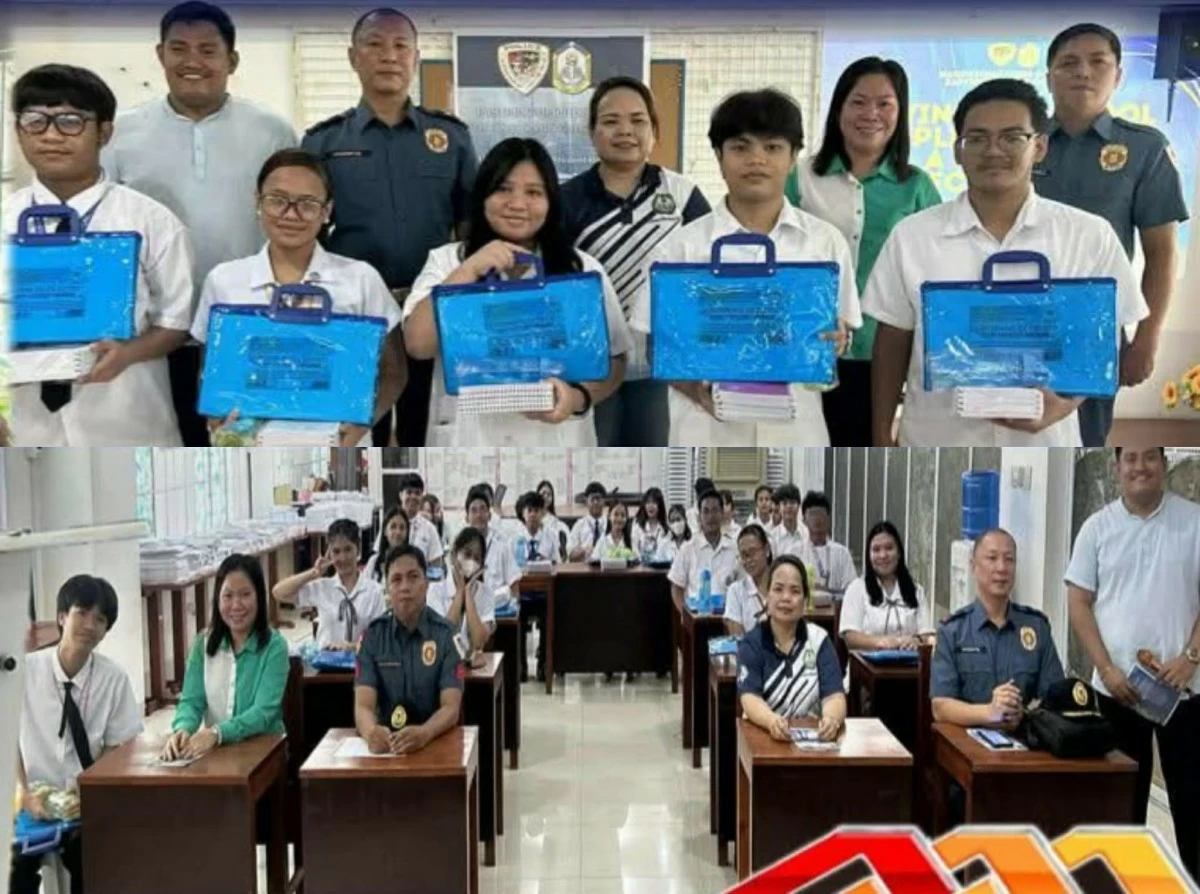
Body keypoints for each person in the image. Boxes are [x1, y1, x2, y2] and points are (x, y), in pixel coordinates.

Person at [865, 78, 1148, 447]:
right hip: (935, 440)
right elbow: (892, 342)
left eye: (1013, 137)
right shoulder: (912, 236)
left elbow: (1101, 340)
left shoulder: (1089, 236)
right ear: (957, 150)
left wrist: (1062, 407)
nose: (993, 151)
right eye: (977, 139)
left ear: (1040, 146)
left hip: (1045, 444)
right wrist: (880, 438)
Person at [102, 1, 297, 447]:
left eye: (208, 50)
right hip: (155, 332)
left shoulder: (273, 131)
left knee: (246, 443)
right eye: (179, 49)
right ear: (160, 54)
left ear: (232, 60)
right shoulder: (122, 133)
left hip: (248, 326)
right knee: (170, 441)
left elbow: (293, 221)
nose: (193, 61)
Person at [632, 89, 861, 446]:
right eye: (740, 147)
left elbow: (842, 334)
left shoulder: (824, 243)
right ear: (719, 157)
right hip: (704, 427)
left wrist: (839, 340)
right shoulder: (680, 248)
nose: (756, 159)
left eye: (772, 147)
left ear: (793, 157)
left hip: (797, 430)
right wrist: (697, 389)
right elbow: (656, 345)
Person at [302, 7, 477, 448]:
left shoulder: (450, 137)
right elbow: (310, 232)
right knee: (361, 424)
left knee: (427, 425)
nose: (389, 56)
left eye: (401, 46)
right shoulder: (324, 142)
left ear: (415, 58)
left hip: (426, 310)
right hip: (356, 310)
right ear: (353, 57)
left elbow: (470, 225)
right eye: (375, 44)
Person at [6, 64, 195, 446]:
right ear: (18, 130)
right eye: (35, 121)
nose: (52, 136)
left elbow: (176, 322)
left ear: (104, 133)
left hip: (127, 419)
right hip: (23, 423)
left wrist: (128, 353)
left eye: (71, 121)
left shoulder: (151, 221)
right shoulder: (5, 220)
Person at [403, 137, 632, 446]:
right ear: (483, 195)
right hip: (470, 437)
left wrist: (576, 398)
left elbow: (615, 360)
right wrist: (467, 271)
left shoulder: (581, 269)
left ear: (551, 202)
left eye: (534, 192)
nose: (518, 204)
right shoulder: (447, 262)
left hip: (557, 438)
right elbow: (418, 344)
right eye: (503, 189)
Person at [1038, 25, 1189, 448]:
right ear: (1049, 76)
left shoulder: (1144, 148)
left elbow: (1161, 255)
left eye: (1098, 61)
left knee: (1083, 443)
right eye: (1068, 63)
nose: (1083, 72)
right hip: (1016, 323)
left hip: (1095, 331)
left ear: (1118, 75)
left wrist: (1145, 339)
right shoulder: (1023, 143)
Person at [192, 149, 405, 446]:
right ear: (258, 202)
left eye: (307, 204)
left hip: (338, 438)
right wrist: (216, 417)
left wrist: (359, 424)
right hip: (247, 439)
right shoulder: (224, 280)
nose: (290, 214)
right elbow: (209, 368)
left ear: (327, 211)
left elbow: (394, 372)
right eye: (277, 201)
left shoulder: (360, 278)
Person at [786, 57, 942, 447]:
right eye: (858, 102)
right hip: (809, 347)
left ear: (900, 113)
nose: (871, 114)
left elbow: (936, 272)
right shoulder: (800, 177)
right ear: (838, 109)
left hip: (884, 353)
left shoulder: (917, 186)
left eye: (885, 103)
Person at [1065, 446, 1200, 880]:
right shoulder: (1096, 528)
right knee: (1121, 809)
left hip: (1185, 693)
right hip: (1118, 692)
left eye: (1149, 458)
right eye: (1131, 459)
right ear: (1116, 466)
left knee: (1193, 806)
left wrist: (1191, 657)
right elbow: (1079, 602)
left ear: (1164, 463)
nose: (1139, 467)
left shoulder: (1194, 521)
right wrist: (1106, 669)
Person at [560, 76, 711, 446]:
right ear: (592, 132)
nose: (625, 130)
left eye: (637, 120)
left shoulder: (683, 195)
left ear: (654, 130)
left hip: (660, 366)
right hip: (593, 364)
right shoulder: (566, 199)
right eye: (611, 121)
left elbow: (710, 275)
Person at [14, 576, 141, 894]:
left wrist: (88, 792)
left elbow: (121, 748)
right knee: (14, 871)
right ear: (61, 617)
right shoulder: (25, 672)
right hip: (28, 803)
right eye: (82, 613)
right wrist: (23, 792)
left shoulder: (113, 679)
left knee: (95, 863)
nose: (89, 625)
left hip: (84, 803)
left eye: (100, 619)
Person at [931, 529, 1065, 729]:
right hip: (968, 747)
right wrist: (989, 712)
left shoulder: (1036, 628)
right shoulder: (953, 631)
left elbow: (1056, 698)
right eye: (992, 558)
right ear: (973, 566)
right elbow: (940, 707)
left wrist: (1024, 714)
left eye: (1009, 560)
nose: (1001, 568)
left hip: (1026, 745)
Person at [162, 554, 289, 760]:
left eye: (245, 594)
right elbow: (191, 701)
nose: (236, 605)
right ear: (217, 598)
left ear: (259, 596)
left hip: (264, 753)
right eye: (228, 596)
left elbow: (263, 712)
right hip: (217, 752)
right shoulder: (203, 643)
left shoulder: (275, 647)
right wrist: (183, 729)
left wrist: (217, 733)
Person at [355, 543, 463, 754]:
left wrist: (424, 733)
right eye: (396, 579)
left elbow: (451, 707)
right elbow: (363, 705)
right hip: (388, 748)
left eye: (413, 577)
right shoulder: (372, 637)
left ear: (426, 583)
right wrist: (371, 733)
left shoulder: (446, 635)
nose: (405, 587)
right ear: (386, 588)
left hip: (434, 742)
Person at [737, 556, 847, 741]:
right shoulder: (751, 643)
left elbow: (834, 696)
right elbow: (750, 699)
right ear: (767, 597)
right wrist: (772, 721)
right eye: (778, 589)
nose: (786, 598)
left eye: (795, 591)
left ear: (805, 601)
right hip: (764, 738)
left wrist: (831, 720)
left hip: (814, 741)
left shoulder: (819, 640)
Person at [271, 518, 385, 649]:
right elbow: (278, 592)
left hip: (362, 663)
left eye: (348, 549)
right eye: (336, 551)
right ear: (329, 553)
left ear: (358, 549)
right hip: (325, 663)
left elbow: (380, 637)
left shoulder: (373, 591)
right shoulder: (324, 587)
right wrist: (313, 573)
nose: (342, 557)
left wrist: (352, 647)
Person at [840, 521, 933, 650]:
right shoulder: (856, 589)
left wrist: (916, 641)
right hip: (865, 667)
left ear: (899, 553)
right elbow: (850, 637)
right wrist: (884, 642)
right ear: (869, 555)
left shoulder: (916, 590)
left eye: (889, 548)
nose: (883, 555)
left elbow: (927, 634)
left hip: (909, 666)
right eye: (876, 550)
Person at [427, 528, 496, 657]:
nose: (472, 562)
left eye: (477, 558)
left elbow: (478, 643)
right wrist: (459, 593)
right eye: (467, 554)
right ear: (454, 555)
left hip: (473, 669)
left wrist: (468, 595)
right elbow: (444, 637)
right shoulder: (435, 591)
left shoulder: (486, 593)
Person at [669, 489, 740, 603]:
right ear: (699, 517)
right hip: (696, 617)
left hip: (727, 616)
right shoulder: (687, 549)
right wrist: (684, 614)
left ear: (722, 513)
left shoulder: (734, 548)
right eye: (706, 511)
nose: (711, 516)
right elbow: (677, 586)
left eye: (715, 510)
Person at [463, 485, 522, 610]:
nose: (479, 515)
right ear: (467, 518)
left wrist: (512, 609)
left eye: (482, 509)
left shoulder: (502, 548)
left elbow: (514, 584)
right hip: (470, 613)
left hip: (499, 614)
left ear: (489, 515)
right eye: (473, 510)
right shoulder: (460, 550)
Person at [798, 491, 857, 599]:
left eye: (821, 513)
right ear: (804, 520)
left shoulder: (841, 553)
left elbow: (852, 591)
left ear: (829, 518)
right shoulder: (795, 551)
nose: (817, 518)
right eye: (812, 513)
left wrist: (827, 591)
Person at [724, 524, 773, 637]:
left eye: (752, 552)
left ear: (766, 550)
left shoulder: (782, 586)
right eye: (743, 555)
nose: (748, 559)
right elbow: (737, 638)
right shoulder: (735, 591)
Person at [395, 472, 446, 570]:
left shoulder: (429, 528)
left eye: (417, 493)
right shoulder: (390, 524)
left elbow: (436, 563)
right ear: (401, 495)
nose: (413, 497)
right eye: (409, 492)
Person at [364, 505, 409, 583]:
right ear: (385, 531)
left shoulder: (412, 561)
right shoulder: (374, 561)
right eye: (393, 527)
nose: (398, 532)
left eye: (402, 528)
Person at [514, 490, 560, 564]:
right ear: (523, 513)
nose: (533, 514)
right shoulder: (514, 540)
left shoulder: (551, 537)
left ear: (542, 513)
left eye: (536, 511)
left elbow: (557, 564)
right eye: (529, 510)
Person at [568, 481, 609, 562]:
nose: (595, 502)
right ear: (586, 501)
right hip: (584, 570)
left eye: (598, 498)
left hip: (607, 569)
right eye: (593, 499)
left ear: (604, 501)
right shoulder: (579, 526)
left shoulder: (611, 524)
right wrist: (584, 550)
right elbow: (570, 555)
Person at [769, 484, 808, 560]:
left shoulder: (807, 533)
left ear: (799, 505)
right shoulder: (772, 537)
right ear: (779, 507)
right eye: (785, 503)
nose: (789, 507)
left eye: (792, 503)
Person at [632, 487, 668, 559]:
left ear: (660, 506)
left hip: (659, 567)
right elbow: (634, 549)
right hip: (640, 566)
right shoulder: (637, 526)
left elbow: (665, 553)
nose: (650, 506)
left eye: (654, 503)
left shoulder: (665, 529)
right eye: (648, 502)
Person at [537, 479, 569, 551]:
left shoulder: (559, 526)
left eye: (549, 495)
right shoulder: (530, 520)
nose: (545, 497)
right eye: (543, 494)